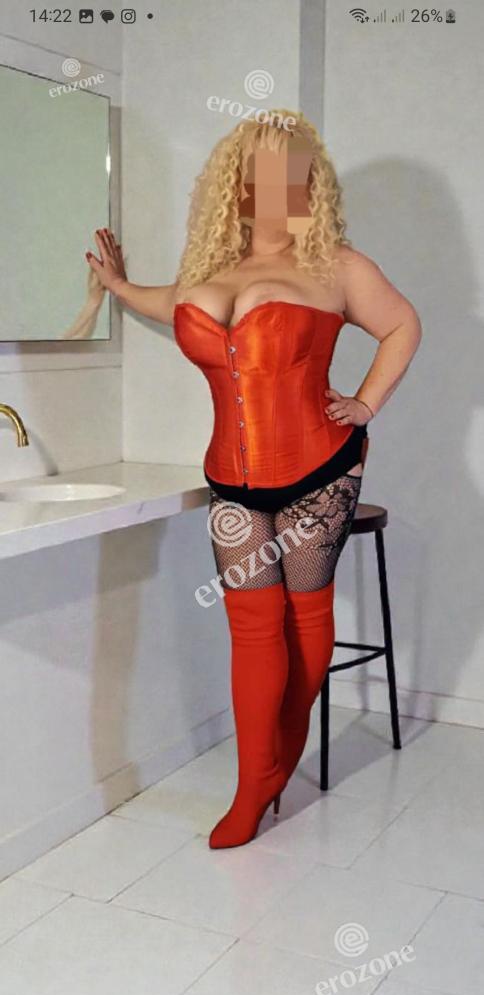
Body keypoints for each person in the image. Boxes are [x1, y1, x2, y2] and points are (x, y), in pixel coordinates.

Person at [86, 108, 422, 850]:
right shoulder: (208, 273)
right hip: (231, 478)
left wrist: (366, 403)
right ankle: (252, 783)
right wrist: (116, 284)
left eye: (288, 168)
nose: (273, 183)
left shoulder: (337, 266)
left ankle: (277, 761)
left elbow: (403, 325)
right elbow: (164, 302)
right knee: (252, 627)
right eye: (258, 168)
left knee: (305, 620)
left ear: (308, 180)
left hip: (321, 469)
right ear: (235, 181)